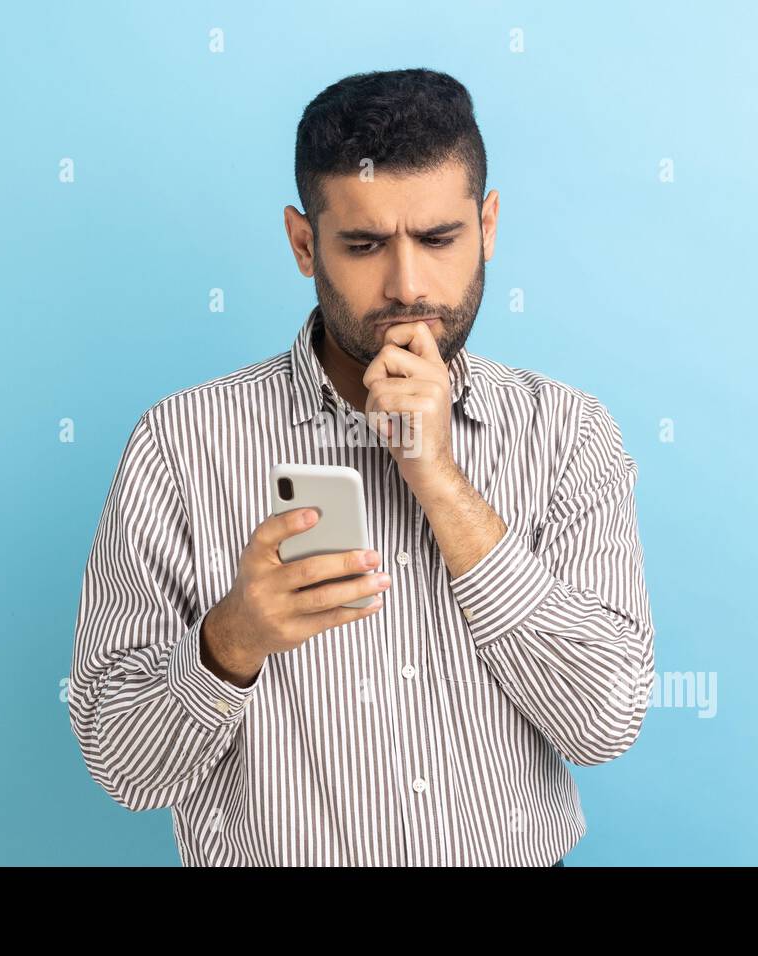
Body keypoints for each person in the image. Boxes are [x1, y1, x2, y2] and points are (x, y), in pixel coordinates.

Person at [68, 68, 656, 866]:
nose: (409, 286)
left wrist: (439, 481)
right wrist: (232, 639)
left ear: (488, 226)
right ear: (304, 244)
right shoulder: (180, 445)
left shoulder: (567, 433)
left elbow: (605, 721)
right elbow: (126, 768)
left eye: (439, 239)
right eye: (365, 244)